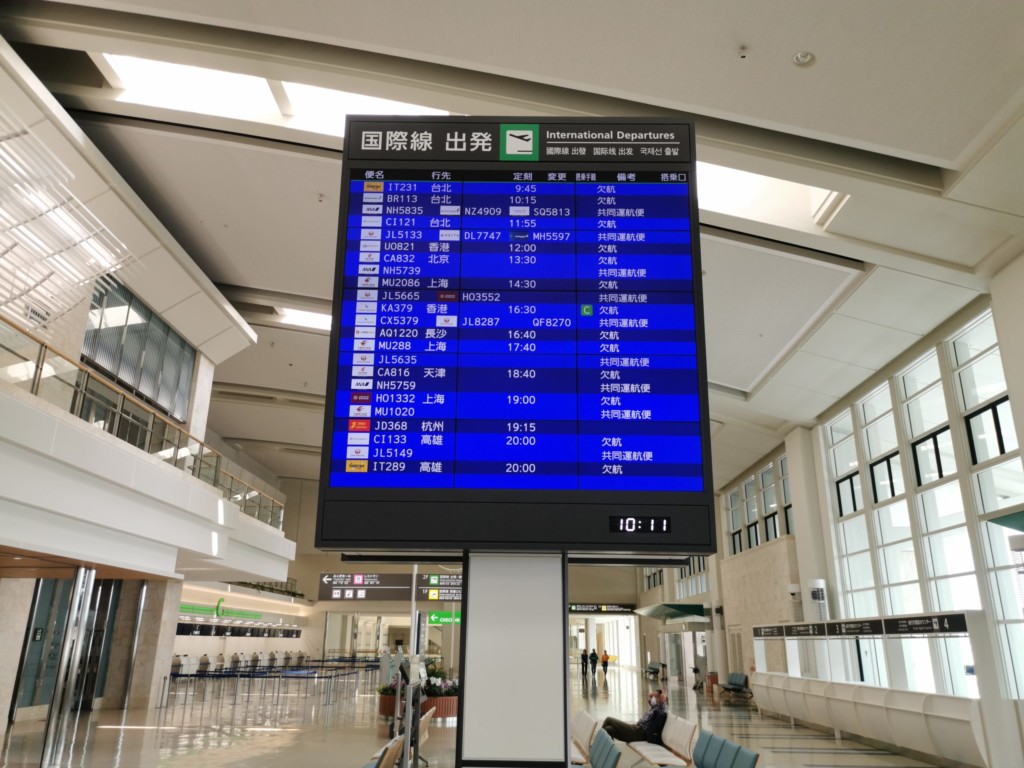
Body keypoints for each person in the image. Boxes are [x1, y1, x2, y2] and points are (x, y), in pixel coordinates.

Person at [601, 689, 667, 744]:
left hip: (640, 732)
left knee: (609, 719)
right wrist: (653, 694)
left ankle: (598, 743)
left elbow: (662, 701)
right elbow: (649, 697)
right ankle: (606, 748)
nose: (653, 698)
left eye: (655, 696)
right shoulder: (654, 707)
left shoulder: (660, 709)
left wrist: (663, 693)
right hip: (636, 729)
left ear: (660, 698)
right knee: (608, 729)